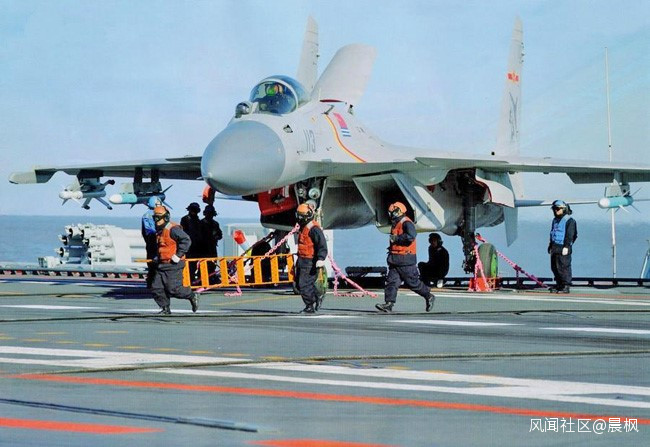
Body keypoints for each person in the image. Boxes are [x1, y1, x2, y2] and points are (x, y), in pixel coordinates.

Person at [376, 202, 434, 313]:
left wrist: (397, 239)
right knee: (391, 282)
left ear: (398, 212)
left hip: (405, 260)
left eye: (392, 212)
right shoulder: (396, 223)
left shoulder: (406, 222)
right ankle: (389, 304)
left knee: (412, 283)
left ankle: (428, 295)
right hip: (395, 259)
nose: (390, 214)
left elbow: (411, 236)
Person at [151, 206, 199, 314]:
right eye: (155, 218)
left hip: (173, 264)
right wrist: (157, 257)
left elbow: (186, 240)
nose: (156, 221)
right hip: (162, 264)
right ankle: (165, 308)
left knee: (174, 289)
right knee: (157, 287)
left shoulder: (173, 229)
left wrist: (178, 255)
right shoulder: (159, 230)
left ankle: (192, 295)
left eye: (158, 218)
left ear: (165, 217)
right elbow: (162, 246)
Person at [295, 203, 327, 313]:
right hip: (301, 260)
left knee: (304, 285)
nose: (298, 218)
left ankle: (310, 306)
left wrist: (321, 259)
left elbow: (322, 244)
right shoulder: (303, 227)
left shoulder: (314, 229)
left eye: (300, 216)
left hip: (309, 261)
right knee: (299, 285)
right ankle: (316, 297)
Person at [548, 199, 577, 294]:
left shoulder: (569, 220)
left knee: (563, 267)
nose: (555, 211)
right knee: (555, 267)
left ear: (564, 209)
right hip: (555, 246)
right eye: (554, 209)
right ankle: (559, 284)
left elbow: (571, 235)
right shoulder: (555, 220)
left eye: (557, 209)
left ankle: (565, 286)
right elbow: (552, 233)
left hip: (563, 247)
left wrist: (567, 246)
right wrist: (550, 245)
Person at [141, 196, 162, 288]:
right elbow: (150, 230)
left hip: (151, 241)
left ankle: (152, 281)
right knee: (155, 262)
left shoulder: (147, 215)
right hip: (154, 240)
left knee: (152, 262)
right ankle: (154, 281)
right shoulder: (151, 215)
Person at [199, 204, 223, 283]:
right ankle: (203, 279)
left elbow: (220, 235)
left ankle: (211, 277)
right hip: (203, 248)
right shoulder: (201, 223)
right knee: (203, 264)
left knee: (212, 264)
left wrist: (215, 237)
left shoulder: (215, 224)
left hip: (212, 247)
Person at [180, 202, 203, 279]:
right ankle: (189, 278)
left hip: (197, 246)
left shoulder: (198, 221)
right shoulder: (185, 220)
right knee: (188, 264)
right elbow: (183, 232)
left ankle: (192, 278)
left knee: (194, 264)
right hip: (188, 246)